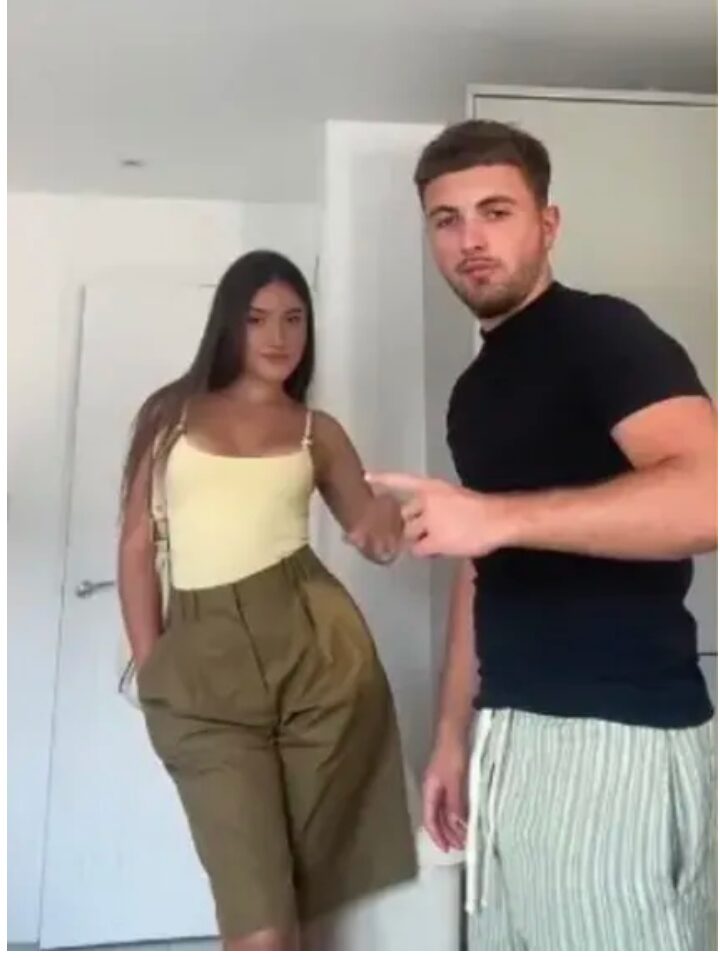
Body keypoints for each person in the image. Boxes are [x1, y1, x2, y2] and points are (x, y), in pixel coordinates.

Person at [370, 120, 717, 951]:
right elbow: (481, 565)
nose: (470, 240)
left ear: (547, 224)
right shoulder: (475, 390)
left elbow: (708, 497)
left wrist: (496, 516)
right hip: (512, 729)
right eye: (446, 220)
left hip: (616, 735)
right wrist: (453, 736)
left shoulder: (604, 333)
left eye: (495, 212)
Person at [117, 250, 417, 951]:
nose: (278, 337)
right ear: (230, 324)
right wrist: (154, 665)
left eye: (293, 319)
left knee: (307, 901)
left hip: (318, 662)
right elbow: (135, 545)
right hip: (201, 667)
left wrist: (405, 513)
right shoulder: (170, 414)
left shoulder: (318, 430)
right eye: (257, 320)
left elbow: (374, 538)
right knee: (258, 920)